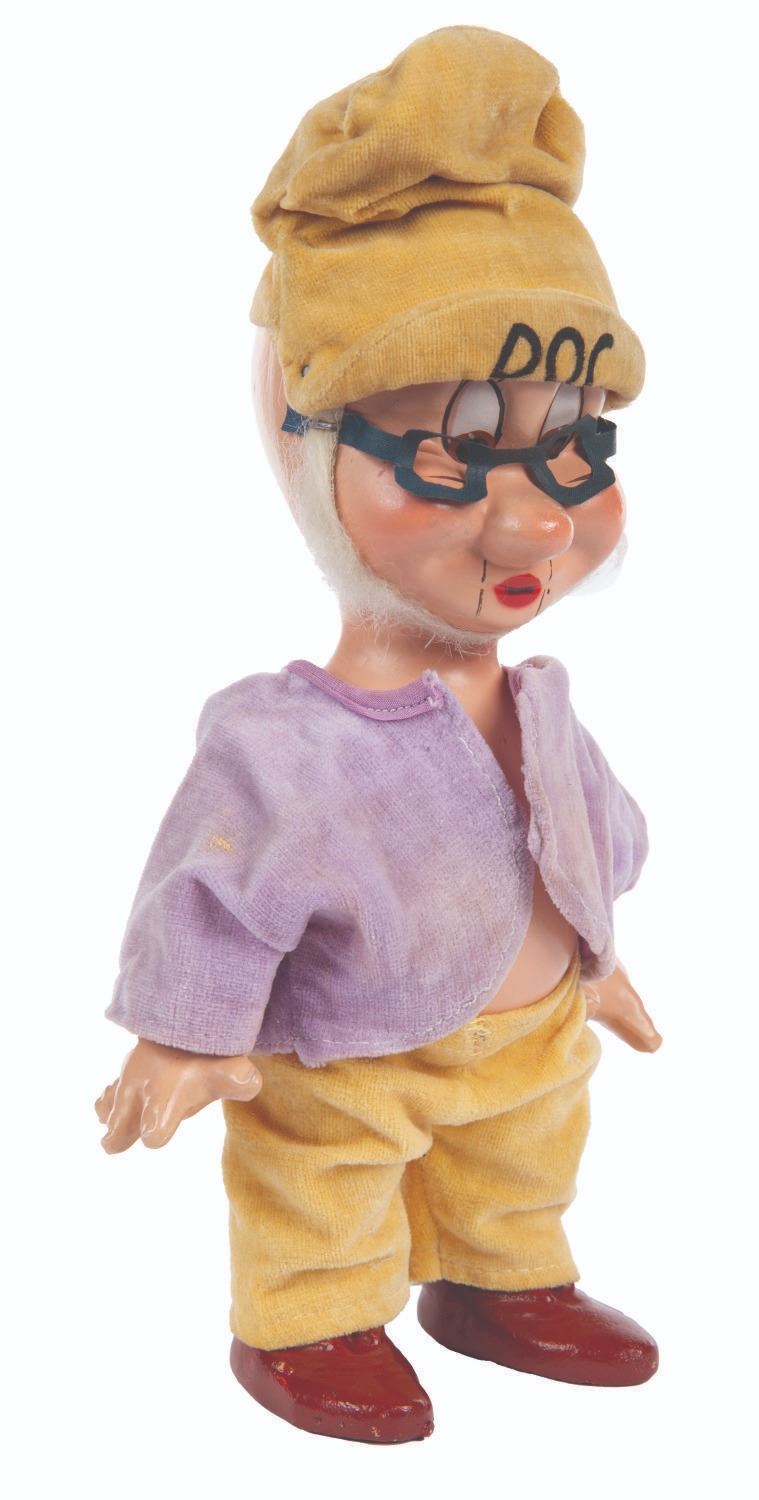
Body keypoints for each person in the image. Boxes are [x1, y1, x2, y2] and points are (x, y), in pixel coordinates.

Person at [96, 26, 662, 1443]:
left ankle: (498, 1277)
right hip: (346, 1049)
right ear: (304, 440)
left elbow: (581, 834)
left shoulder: (541, 703)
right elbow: (216, 889)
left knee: (522, 1163)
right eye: (452, 450)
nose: (533, 522)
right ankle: (309, 1318)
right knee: (322, 1183)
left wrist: (596, 962)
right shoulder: (283, 742)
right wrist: (183, 1033)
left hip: (531, 1037)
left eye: (575, 444)